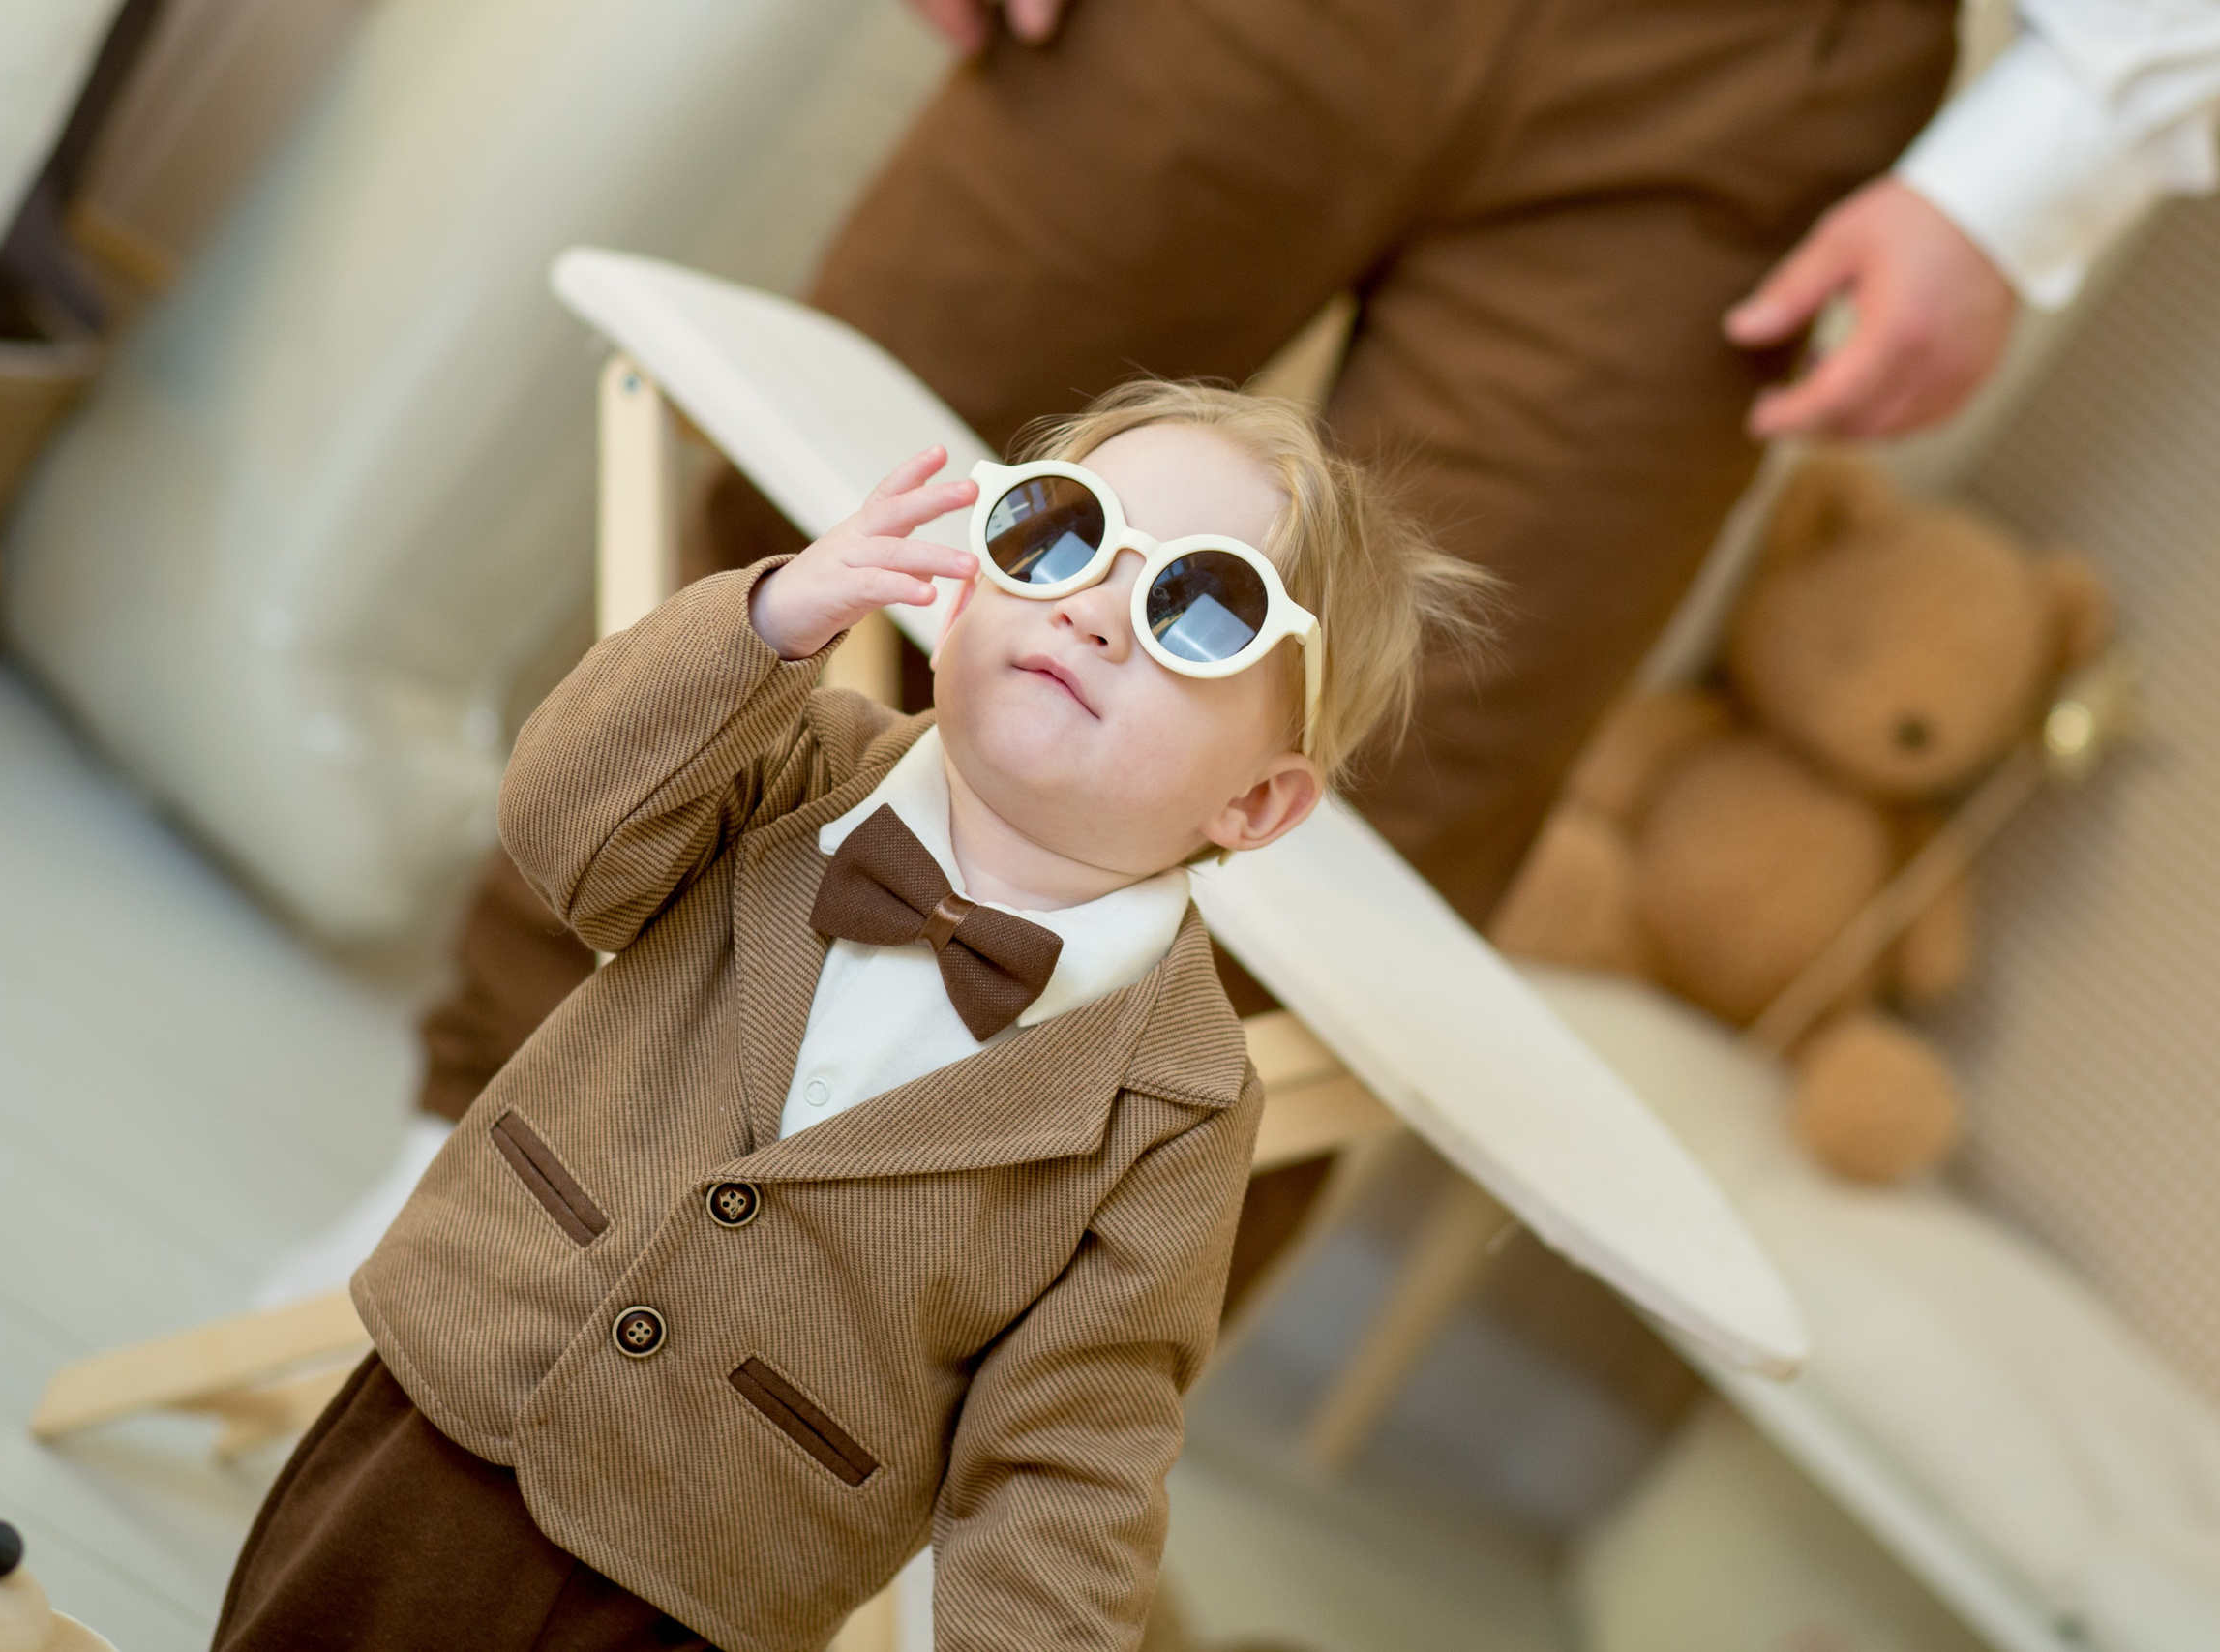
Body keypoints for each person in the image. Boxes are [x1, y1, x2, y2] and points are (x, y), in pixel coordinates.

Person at [265, 0, 2220, 1324]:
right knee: (862, 502)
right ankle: (480, 1178)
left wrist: (2031, 163)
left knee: (1376, 807)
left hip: (1742, 79)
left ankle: (970, 1429)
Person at [216, 385, 1484, 1652]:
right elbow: (566, 829)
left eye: (1198, 612)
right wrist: (761, 627)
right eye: (1063, 535)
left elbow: (1071, 1456)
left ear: (1257, 805)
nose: (1096, 611)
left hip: (709, 1582)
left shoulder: (1178, 1107)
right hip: (462, 1396)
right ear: (966, 590)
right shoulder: (785, 761)